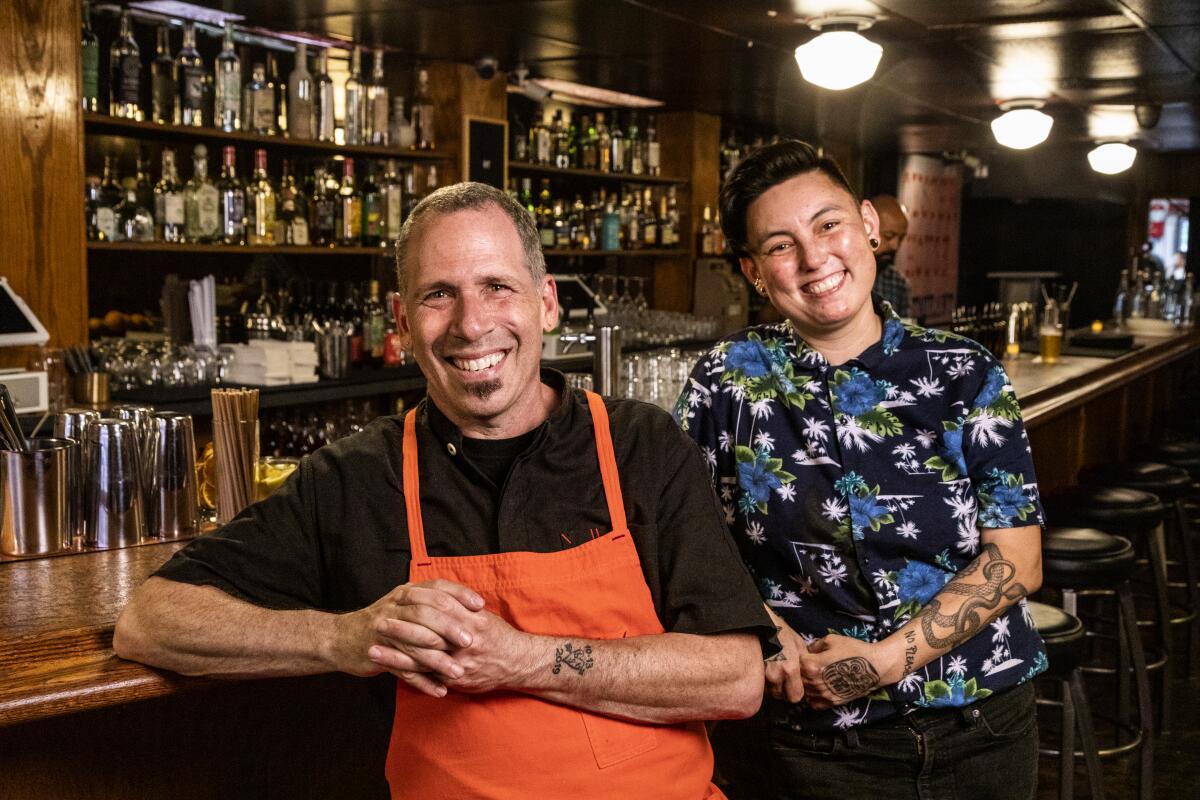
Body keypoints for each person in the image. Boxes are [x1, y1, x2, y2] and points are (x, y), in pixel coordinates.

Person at [115, 182, 777, 799]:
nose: (470, 323)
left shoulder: (640, 445)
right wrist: (343, 638)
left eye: (496, 286)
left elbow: (737, 678)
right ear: (402, 321)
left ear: (544, 302)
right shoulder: (357, 477)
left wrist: (521, 659)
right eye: (438, 294)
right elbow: (149, 621)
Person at [673, 141, 1046, 800]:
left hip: (979, 723)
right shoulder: (725, 379)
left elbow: (1016, 556)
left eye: (828, 225)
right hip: (808, 742)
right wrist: (766, 630)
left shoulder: (964, 372)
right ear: (754, 272)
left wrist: (880, 663)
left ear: (869, 228)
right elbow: (686, 544)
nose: (815, 258)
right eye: (781, 245)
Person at [869, 194, 912, 317]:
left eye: (901, 238)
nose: (895, 246)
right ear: (867, 226)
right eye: (889, 236)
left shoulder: (899, 284)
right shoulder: (842, 274)